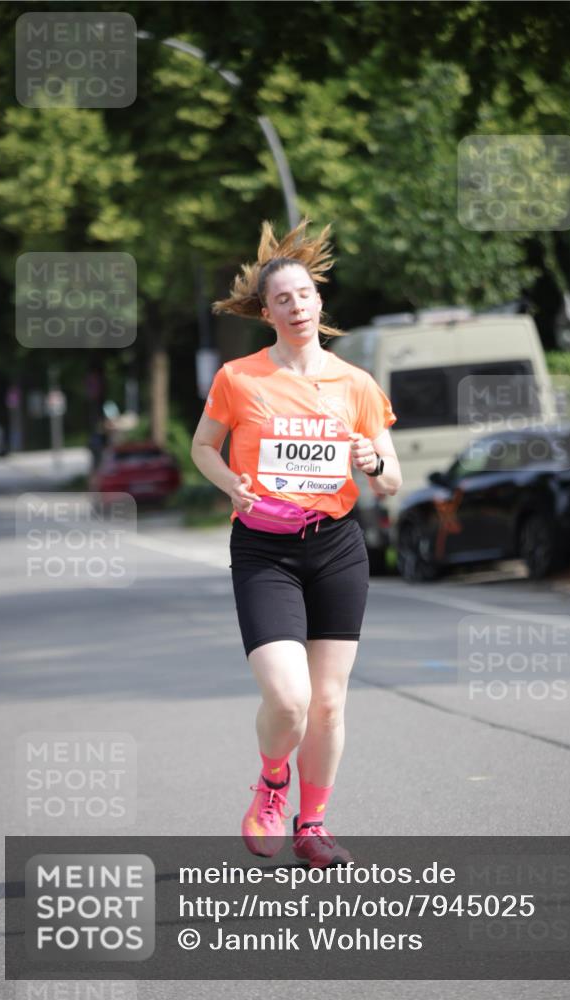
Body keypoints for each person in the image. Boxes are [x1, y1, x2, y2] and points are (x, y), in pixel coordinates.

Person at [191, 219, 402, 868]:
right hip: (264, 549)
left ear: (319, 302)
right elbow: (202, 447)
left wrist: (370, 460)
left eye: (305, 294)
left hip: (335, 545)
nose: (296, 305)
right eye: (282, 298)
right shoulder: (239, 378)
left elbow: (391, 482)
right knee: (289, 699)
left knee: (329, 704)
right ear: (266, 311)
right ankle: (270, 781)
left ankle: (311, 824)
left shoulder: (356, 385)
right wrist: (231, 484)